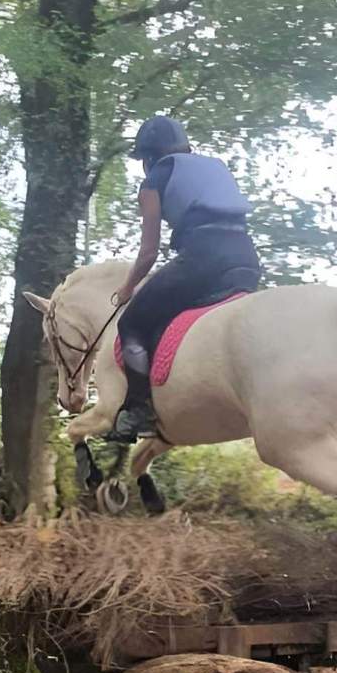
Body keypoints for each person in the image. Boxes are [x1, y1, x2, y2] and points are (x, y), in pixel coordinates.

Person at [110, 115, 261, 443]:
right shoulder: (216, 166)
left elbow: (149, 252)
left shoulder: (153, 182)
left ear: (148, 157)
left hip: (203, 258)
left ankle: (138, 411)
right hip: (246, 258)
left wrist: (127, 288)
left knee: (132, 324)